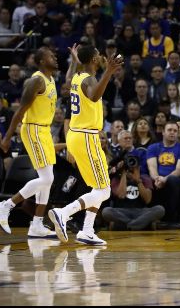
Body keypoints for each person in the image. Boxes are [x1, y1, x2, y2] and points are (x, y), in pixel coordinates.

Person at [48, 45, 124, 246]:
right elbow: (94, 96)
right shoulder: (89, 80)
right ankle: (64, 213)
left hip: (77, 135)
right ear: (93, 60)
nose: (101, 57)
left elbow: (67, 78)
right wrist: (109, 72)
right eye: (98, 55)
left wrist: (75, 61)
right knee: (104, 191)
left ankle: (87, 231)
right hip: (86, 137)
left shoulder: (77, 77)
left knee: (97, 187)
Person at [0, 47, 63, 239]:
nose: (55, 57)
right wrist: (7, 138)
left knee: (47, 180)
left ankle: (37, 225)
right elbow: (20, 110)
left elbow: (70, 80)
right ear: (41, 61)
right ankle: (6, 206)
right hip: (33, 129)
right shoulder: (36, 80)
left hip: (44, 131)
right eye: (51, 56)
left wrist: (75, 63)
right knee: (47, 179)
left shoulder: (51, 79)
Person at [101, 144, 165, 231]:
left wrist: (138, 180)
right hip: (122, 211)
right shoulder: (116, 179)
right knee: (106, 211)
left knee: (160, 209)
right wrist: (123, 173)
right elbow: (121, 195)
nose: (131, 166)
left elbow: (147, 200)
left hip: (141, 212)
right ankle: (141, 225)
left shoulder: (145, 178)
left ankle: (125, 225)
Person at [146, 122, 180, 223]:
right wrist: (157, 178)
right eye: (169, 130)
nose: (172, 133)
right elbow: (152, 167)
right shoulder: (153, 147)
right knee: (147, 180)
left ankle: (171, 218)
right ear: (163, 132)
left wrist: (164, 179)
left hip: (175, 179)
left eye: (175, 131)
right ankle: (153, 217)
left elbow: (179, 170)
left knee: (172, 180)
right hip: (157, 179)